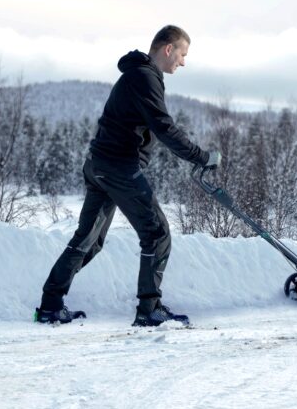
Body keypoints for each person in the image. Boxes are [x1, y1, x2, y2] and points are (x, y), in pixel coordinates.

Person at [35, 25, 220, 326]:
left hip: (100, 165)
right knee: (157, 233)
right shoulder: (144, 77)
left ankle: (50, 305)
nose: (183, 62)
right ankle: (149, 309)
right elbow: (164, 127)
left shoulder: (137, 75)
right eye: (182, 54)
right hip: (118, 167)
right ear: (168, 49)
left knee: (89, 240)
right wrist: (201, 157)